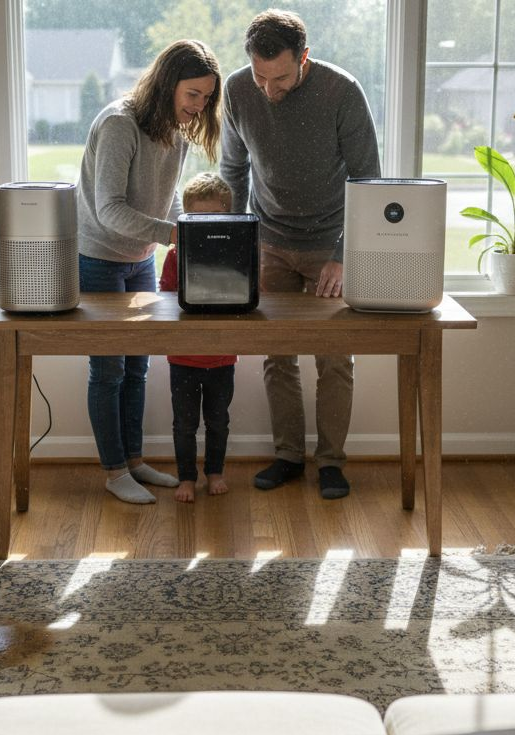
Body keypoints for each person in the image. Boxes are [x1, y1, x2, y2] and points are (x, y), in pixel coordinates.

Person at [219, 10, 381, 500]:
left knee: (334, 359)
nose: (268, 88)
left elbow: (368, 180)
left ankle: (330, 462)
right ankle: (288, 455)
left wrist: (341, 255)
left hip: (328, 243)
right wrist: (236, 242)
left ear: (304, 58)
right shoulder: (237, 89)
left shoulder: (342, 91)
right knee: (277, 355)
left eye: (281, 77)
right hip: (269, 241)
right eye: (260, 76)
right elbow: (232, 170)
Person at [77, 39, 223, 505]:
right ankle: (114, 470)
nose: (199, 107)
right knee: (109, 369)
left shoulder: (175, 133)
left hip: (140, 260)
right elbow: (109, 210)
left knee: (138, 367)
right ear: (168, 84)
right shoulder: (120, 124)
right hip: (98, 259)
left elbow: (168, 198)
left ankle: (135, 461)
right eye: (193, 95)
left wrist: (194, 226)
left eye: (206, 98)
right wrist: (176, 234)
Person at [158, 173, 237, 503]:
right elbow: (164, 296)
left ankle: (215, 472)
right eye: (197, 219)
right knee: (185, 424)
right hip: (183, 358)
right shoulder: (176, 256)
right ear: (185, 219)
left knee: (218, 421)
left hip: (222, 357)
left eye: (214, 218)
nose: (206, 226)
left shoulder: (235, 252)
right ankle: (186, 477)